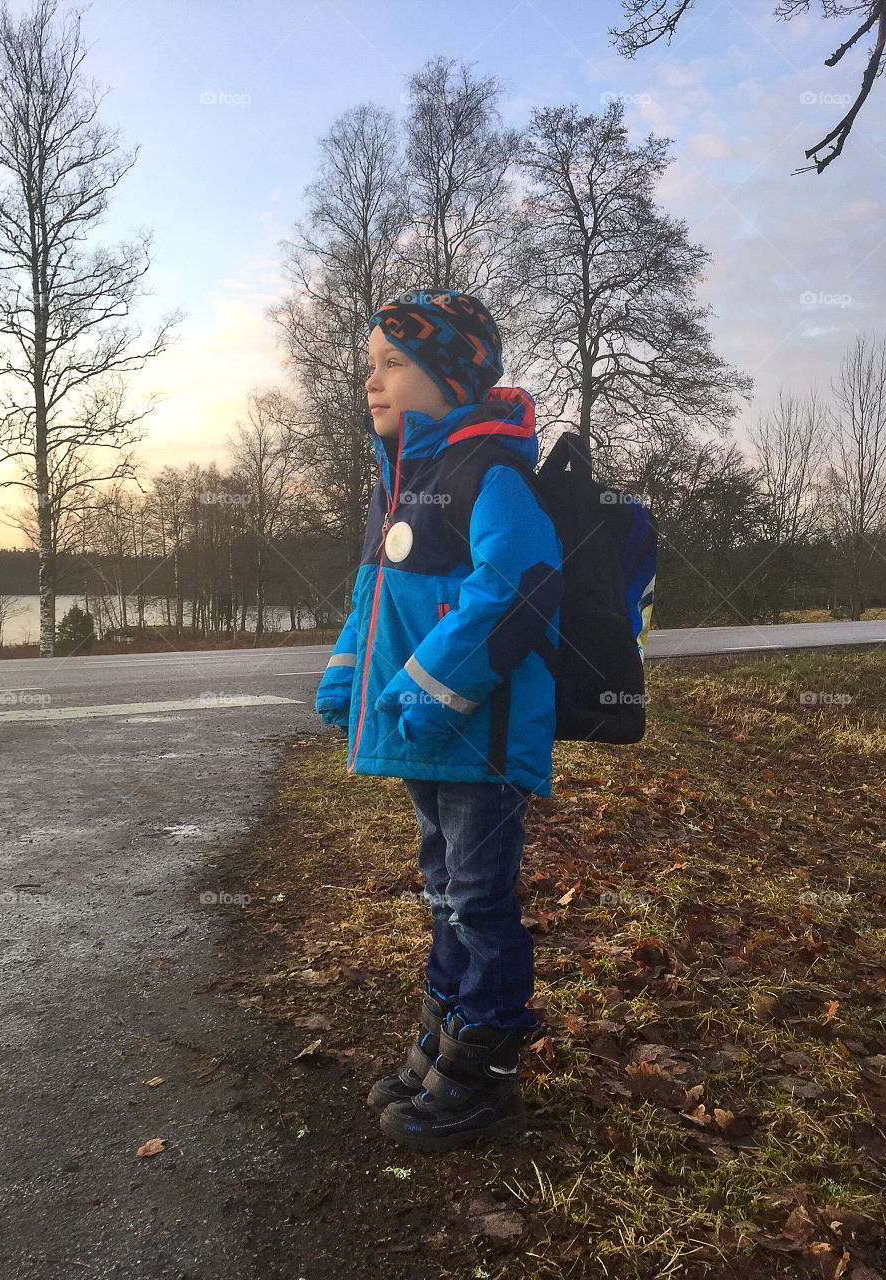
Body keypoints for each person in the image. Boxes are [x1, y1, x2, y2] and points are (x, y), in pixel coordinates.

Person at [314, 288, 563, 1153]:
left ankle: (487, 1076)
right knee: (446, 898)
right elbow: (372, 599)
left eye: (392, 364)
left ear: (450, 373)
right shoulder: (405, 482)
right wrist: (347, 680)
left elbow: (520, 588)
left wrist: (422, 689)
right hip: (430, 740)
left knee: (479, 904)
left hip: (478, 742)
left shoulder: (489, 472)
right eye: (368, 367)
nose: (371, 383)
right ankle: (446, 1041)